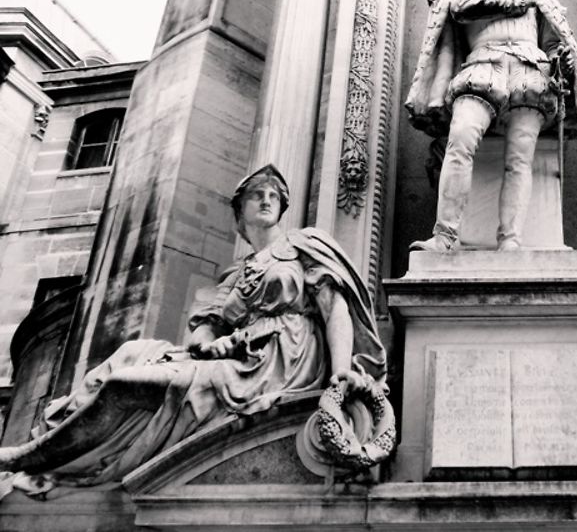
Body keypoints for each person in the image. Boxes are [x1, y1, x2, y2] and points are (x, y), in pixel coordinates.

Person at [0, 164, 386, 487]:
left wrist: (340, 377)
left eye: (273, 195)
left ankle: (34, 456)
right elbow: (205, 326)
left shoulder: (304, 245)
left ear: (283, 206)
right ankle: (53, 456)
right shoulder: (237, 274)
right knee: (132, 353)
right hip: (240, 358)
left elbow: (334, 307)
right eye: (257, 194)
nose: (267, 199)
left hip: (284, 361)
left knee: (126, 385)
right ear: (240, 213)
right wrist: (206, 344)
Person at [404, 0, 577, 252]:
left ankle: (510, 241)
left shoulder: (539, 1)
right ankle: (444, 237)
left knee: (520, 160)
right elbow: (463, 11)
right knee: (460, 142)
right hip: (481, 71)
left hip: (530, 77)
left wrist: (562, 63)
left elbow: (553, 44)